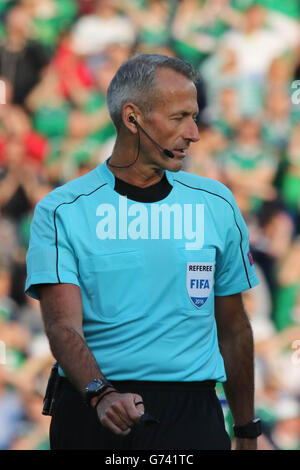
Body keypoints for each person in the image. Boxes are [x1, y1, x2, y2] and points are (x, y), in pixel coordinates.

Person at [25, 54, 261, 450]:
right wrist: (100, 394)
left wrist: (246, 429)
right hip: (95, 410)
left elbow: (234, 328)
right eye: (179, 117)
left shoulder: (217, 203)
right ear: (132, 118)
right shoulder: (62, 209)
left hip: (193, 415)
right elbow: (62, 326)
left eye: (195, 116)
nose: (194, 133)